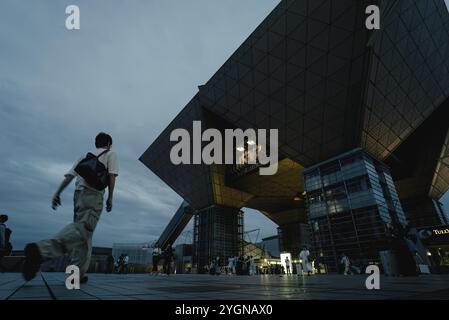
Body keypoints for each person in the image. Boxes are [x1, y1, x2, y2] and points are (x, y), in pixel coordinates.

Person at [22, 133, 119, 284]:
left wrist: (57, 193)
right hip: (93, 195)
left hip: (78, 194)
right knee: (82, 230)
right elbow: (112, 176)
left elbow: (70, 176)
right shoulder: (111, 154)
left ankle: (76, 275)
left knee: (84, 238)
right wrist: (111, 197)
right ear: (108, 143)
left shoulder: (85, 156)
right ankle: (41, 251)